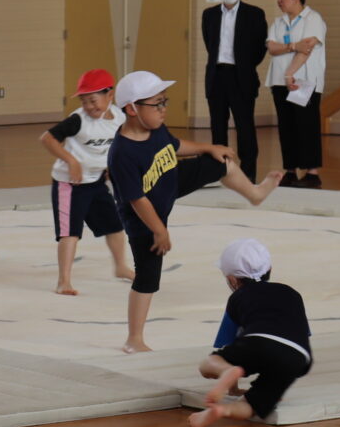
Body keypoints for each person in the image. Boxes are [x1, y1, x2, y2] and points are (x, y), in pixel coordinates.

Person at [107, 71, 282, 354]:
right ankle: (134, 339)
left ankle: (254, 193)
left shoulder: (155, 129)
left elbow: (175, 147)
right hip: (146, 217)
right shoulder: (122, 153)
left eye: (165, 102)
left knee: (220, 162)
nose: (164, 109)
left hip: (170, 182)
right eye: (157, 104)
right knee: (148, 278)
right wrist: (159, 230)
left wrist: (208, 147)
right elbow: (137, 200)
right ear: (132, 109)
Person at [190, 238, 312, 427]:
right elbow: (303, 333)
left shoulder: (237, 298)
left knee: (208, 364)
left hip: (259, 342)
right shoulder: (291, 293)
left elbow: (230, 342)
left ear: (232, 280)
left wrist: (233, 387)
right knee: (252, 405)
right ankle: (223, 411)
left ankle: (225, 373)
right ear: (269, 269)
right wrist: (276, 383)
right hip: (299, 356)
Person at [40, 70, 132, 295]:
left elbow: (119, 144)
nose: (89, 106)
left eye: (93, 100)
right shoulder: (78, 120)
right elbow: (47, 138)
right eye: (84, 101)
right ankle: (64, 281)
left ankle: (120, 266)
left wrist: (112, 166)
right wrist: (70, 160)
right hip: (69, 184)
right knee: (70, 233)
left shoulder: (120, 117)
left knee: (115, 226)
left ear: (109, 95)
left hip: (96, 182)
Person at [201, 0, 269, 180]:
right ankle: (220, 173)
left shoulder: (255, 14)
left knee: (245, 127)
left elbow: (260, 48)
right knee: (217, 127)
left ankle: (248, 175)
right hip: (217, 76)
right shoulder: (209, 14)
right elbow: (209, 44)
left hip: (241, 77)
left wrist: (244, 66)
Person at [266, 0, 327, 188]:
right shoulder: (278, 22)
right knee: (287, 126)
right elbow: (272, 48)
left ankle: (312, 172)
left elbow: (307, 48)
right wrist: (293, 45)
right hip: (280, 82)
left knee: (306, 125)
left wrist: (290, 72)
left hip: (304, 82)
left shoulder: (313, 18)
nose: (279, 1)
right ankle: (290, 170)